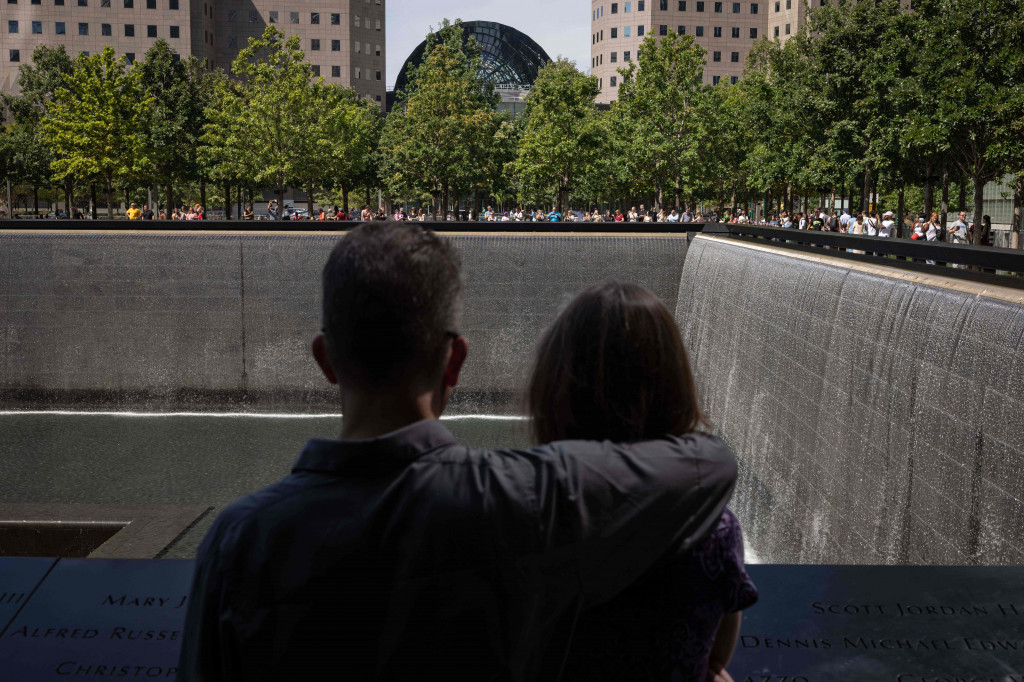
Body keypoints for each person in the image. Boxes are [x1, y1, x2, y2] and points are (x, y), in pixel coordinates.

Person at [178, 222, 737, 681]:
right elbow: (706, 466)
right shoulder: (520, 502)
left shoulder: (236, 542)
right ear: (455, 362)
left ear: (325, 359)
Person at [527, 281, 757, 682]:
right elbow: (717, 656)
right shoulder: (714, 529)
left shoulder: (521, 519)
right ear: (674, 385)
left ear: (554, 385)